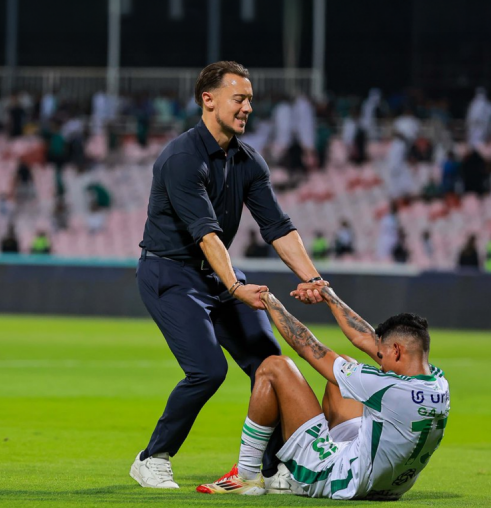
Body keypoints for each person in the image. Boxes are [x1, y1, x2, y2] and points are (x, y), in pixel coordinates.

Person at [130, 61, 329, 492]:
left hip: (217, 274)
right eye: (239, 99)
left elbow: (277, 225)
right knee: (207, 370)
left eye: (250, 101)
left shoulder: (247, 160)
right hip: (170, 273)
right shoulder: (181, 158)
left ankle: (276, 468)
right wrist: (236, 287)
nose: (247, 108)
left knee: (271, 365)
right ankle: (152, 458)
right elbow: (205, 234)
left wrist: (315, 279)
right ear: (209, 100)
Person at [197, 286, 449, 500]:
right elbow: (366, 339)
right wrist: (328, 295)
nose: (380, 363)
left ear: (396, 350)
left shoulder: (386, 388)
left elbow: (307, 346)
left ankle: (247, 475)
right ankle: (305, 449)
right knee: (345, 370)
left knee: (276, 366)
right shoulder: (438, 383)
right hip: (389, 487)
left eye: (382, 356)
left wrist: (269, 301)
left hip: (341, 480)